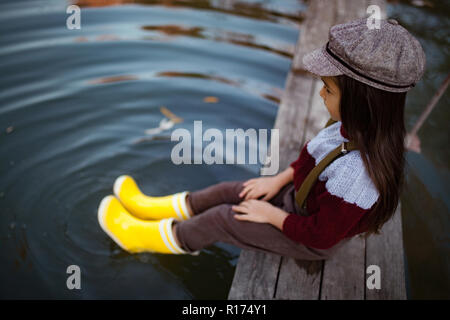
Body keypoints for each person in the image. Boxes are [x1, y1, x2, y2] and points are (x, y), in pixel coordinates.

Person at [97, 17, 426, 260]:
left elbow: (322, 236)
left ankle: (148, 238)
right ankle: (154, 208)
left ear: (362, 102)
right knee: (233, 191)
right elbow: (310, 158)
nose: (321, 95)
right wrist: (279, 180)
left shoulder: (359, 177)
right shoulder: (349, 127)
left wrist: (271, 215)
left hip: (306, 236)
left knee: (226, 218)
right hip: (297, 199)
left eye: (328, 89)